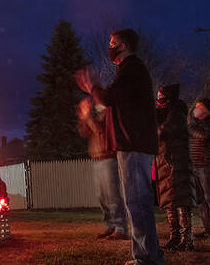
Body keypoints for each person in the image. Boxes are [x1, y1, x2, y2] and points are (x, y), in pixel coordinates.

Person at [80, 28, 164, 265]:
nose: (110, 47)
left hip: (133, 144)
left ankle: (147, 257)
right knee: (136, 201)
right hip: (132, 143)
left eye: (113, 43)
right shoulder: (128, 70)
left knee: (137, 201)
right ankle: (147, 254)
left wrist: (92, 88)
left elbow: (108, 98)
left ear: (123, 46)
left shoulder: (132, 69)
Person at [75, 94, 128, 241]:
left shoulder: (108, 114)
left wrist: (87, 116)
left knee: (113, 196)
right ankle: (110, 226)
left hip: (109, 158)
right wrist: (83, 118)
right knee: (102, 197)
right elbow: (84, 132)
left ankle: (120, 228)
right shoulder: (96, 116)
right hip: (97, 159)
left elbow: (100, 131)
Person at [155, 84, 196, 251]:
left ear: (169, 99)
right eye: (157, 98)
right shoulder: (166, 114)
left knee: (181, 200)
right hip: (166, 161)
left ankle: (187, 239)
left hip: (177, 162)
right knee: (170, 200)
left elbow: (166, 131)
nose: (158, 101)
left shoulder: (176, 113)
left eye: (161, 98)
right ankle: (175, 236)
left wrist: (155, 124)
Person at [188, 98, 210, 238]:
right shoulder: (196, 124)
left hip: (206, 165)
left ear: (206, 110)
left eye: (199, 107)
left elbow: (205, 136)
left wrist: (190, 127)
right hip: (195, 165)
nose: (195, 109)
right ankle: (208, 229)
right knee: (201, 200)